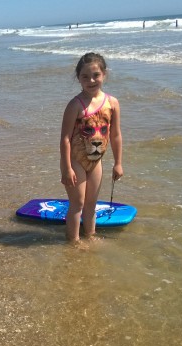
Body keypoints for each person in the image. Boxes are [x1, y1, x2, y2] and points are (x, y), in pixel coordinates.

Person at [59, 53, 123, 243]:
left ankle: (91, 236)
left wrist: (118, 163)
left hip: (96, 162)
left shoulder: (112, 103)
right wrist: (66, 168)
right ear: (78, 78)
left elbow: (115, 135)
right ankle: (74, 242)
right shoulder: (75, 105)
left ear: (104, 74)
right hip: (76, 160)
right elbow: (65, 138)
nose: (91, 80)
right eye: (85, 76)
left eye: (96, 75)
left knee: (91, 204)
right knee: (77, 203)